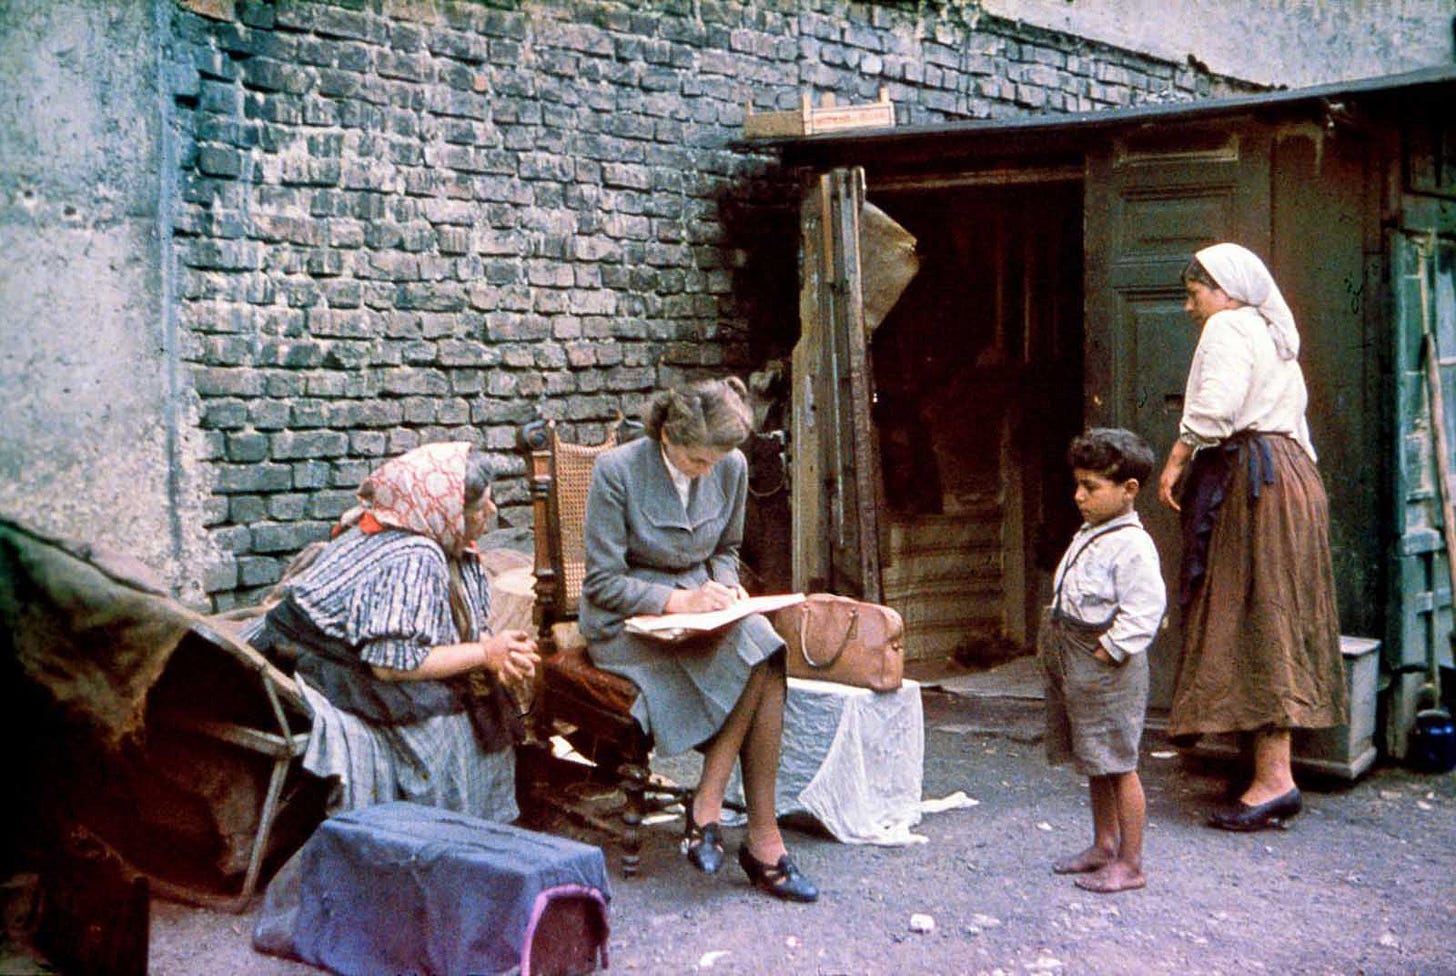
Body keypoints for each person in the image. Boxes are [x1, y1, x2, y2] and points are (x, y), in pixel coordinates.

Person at [579, 376, 818, 902]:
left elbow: (727, 549)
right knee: (763, 656)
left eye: (715, 462)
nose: (708, 471)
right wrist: (675, 602)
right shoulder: (617, 471)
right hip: (627, 625)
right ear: (666, 436)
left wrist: (727, 587)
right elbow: (600, 581)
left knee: (763, 643)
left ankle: (726, 818)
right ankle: (756, 839)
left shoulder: (730, 465)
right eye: (696, 462)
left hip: (701, 616)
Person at [241, 441, 540, 822]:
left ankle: (478, 830)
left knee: (484, 700)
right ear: (448, 513)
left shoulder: (421, 532)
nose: (492, 512)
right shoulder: (415, 555)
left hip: (354, 649)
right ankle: (440, 834)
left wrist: (495, 650)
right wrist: (484, 653)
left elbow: (431, 629)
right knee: (441, 730)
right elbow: (391, 666)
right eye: (481, 506)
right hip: (312, 655)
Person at [1156, 242, 1347, 831]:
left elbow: (1216, 407)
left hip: (1258, 482)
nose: (1190, 307)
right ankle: (1267, 770)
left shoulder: (1231, 325)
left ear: (1227, 292)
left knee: (1258, 617)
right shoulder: (1272, 334)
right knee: (1271, 615)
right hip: (1289, 476)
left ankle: (1274, 779)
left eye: (1194, 294)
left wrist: (1176, 459)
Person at [1041, 428, 1166, 894]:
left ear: (1129, 490)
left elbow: (1144, 609)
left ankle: (1131, 862)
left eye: (1091, 487)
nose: (1079, 496)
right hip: (1073, 653)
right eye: (1078, 484)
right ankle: (1103, 843)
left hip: (1105, 663)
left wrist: (1108, 649)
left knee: (1118, 761)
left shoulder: (1133, 545)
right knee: (1095, 757)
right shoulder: (1094, 529)